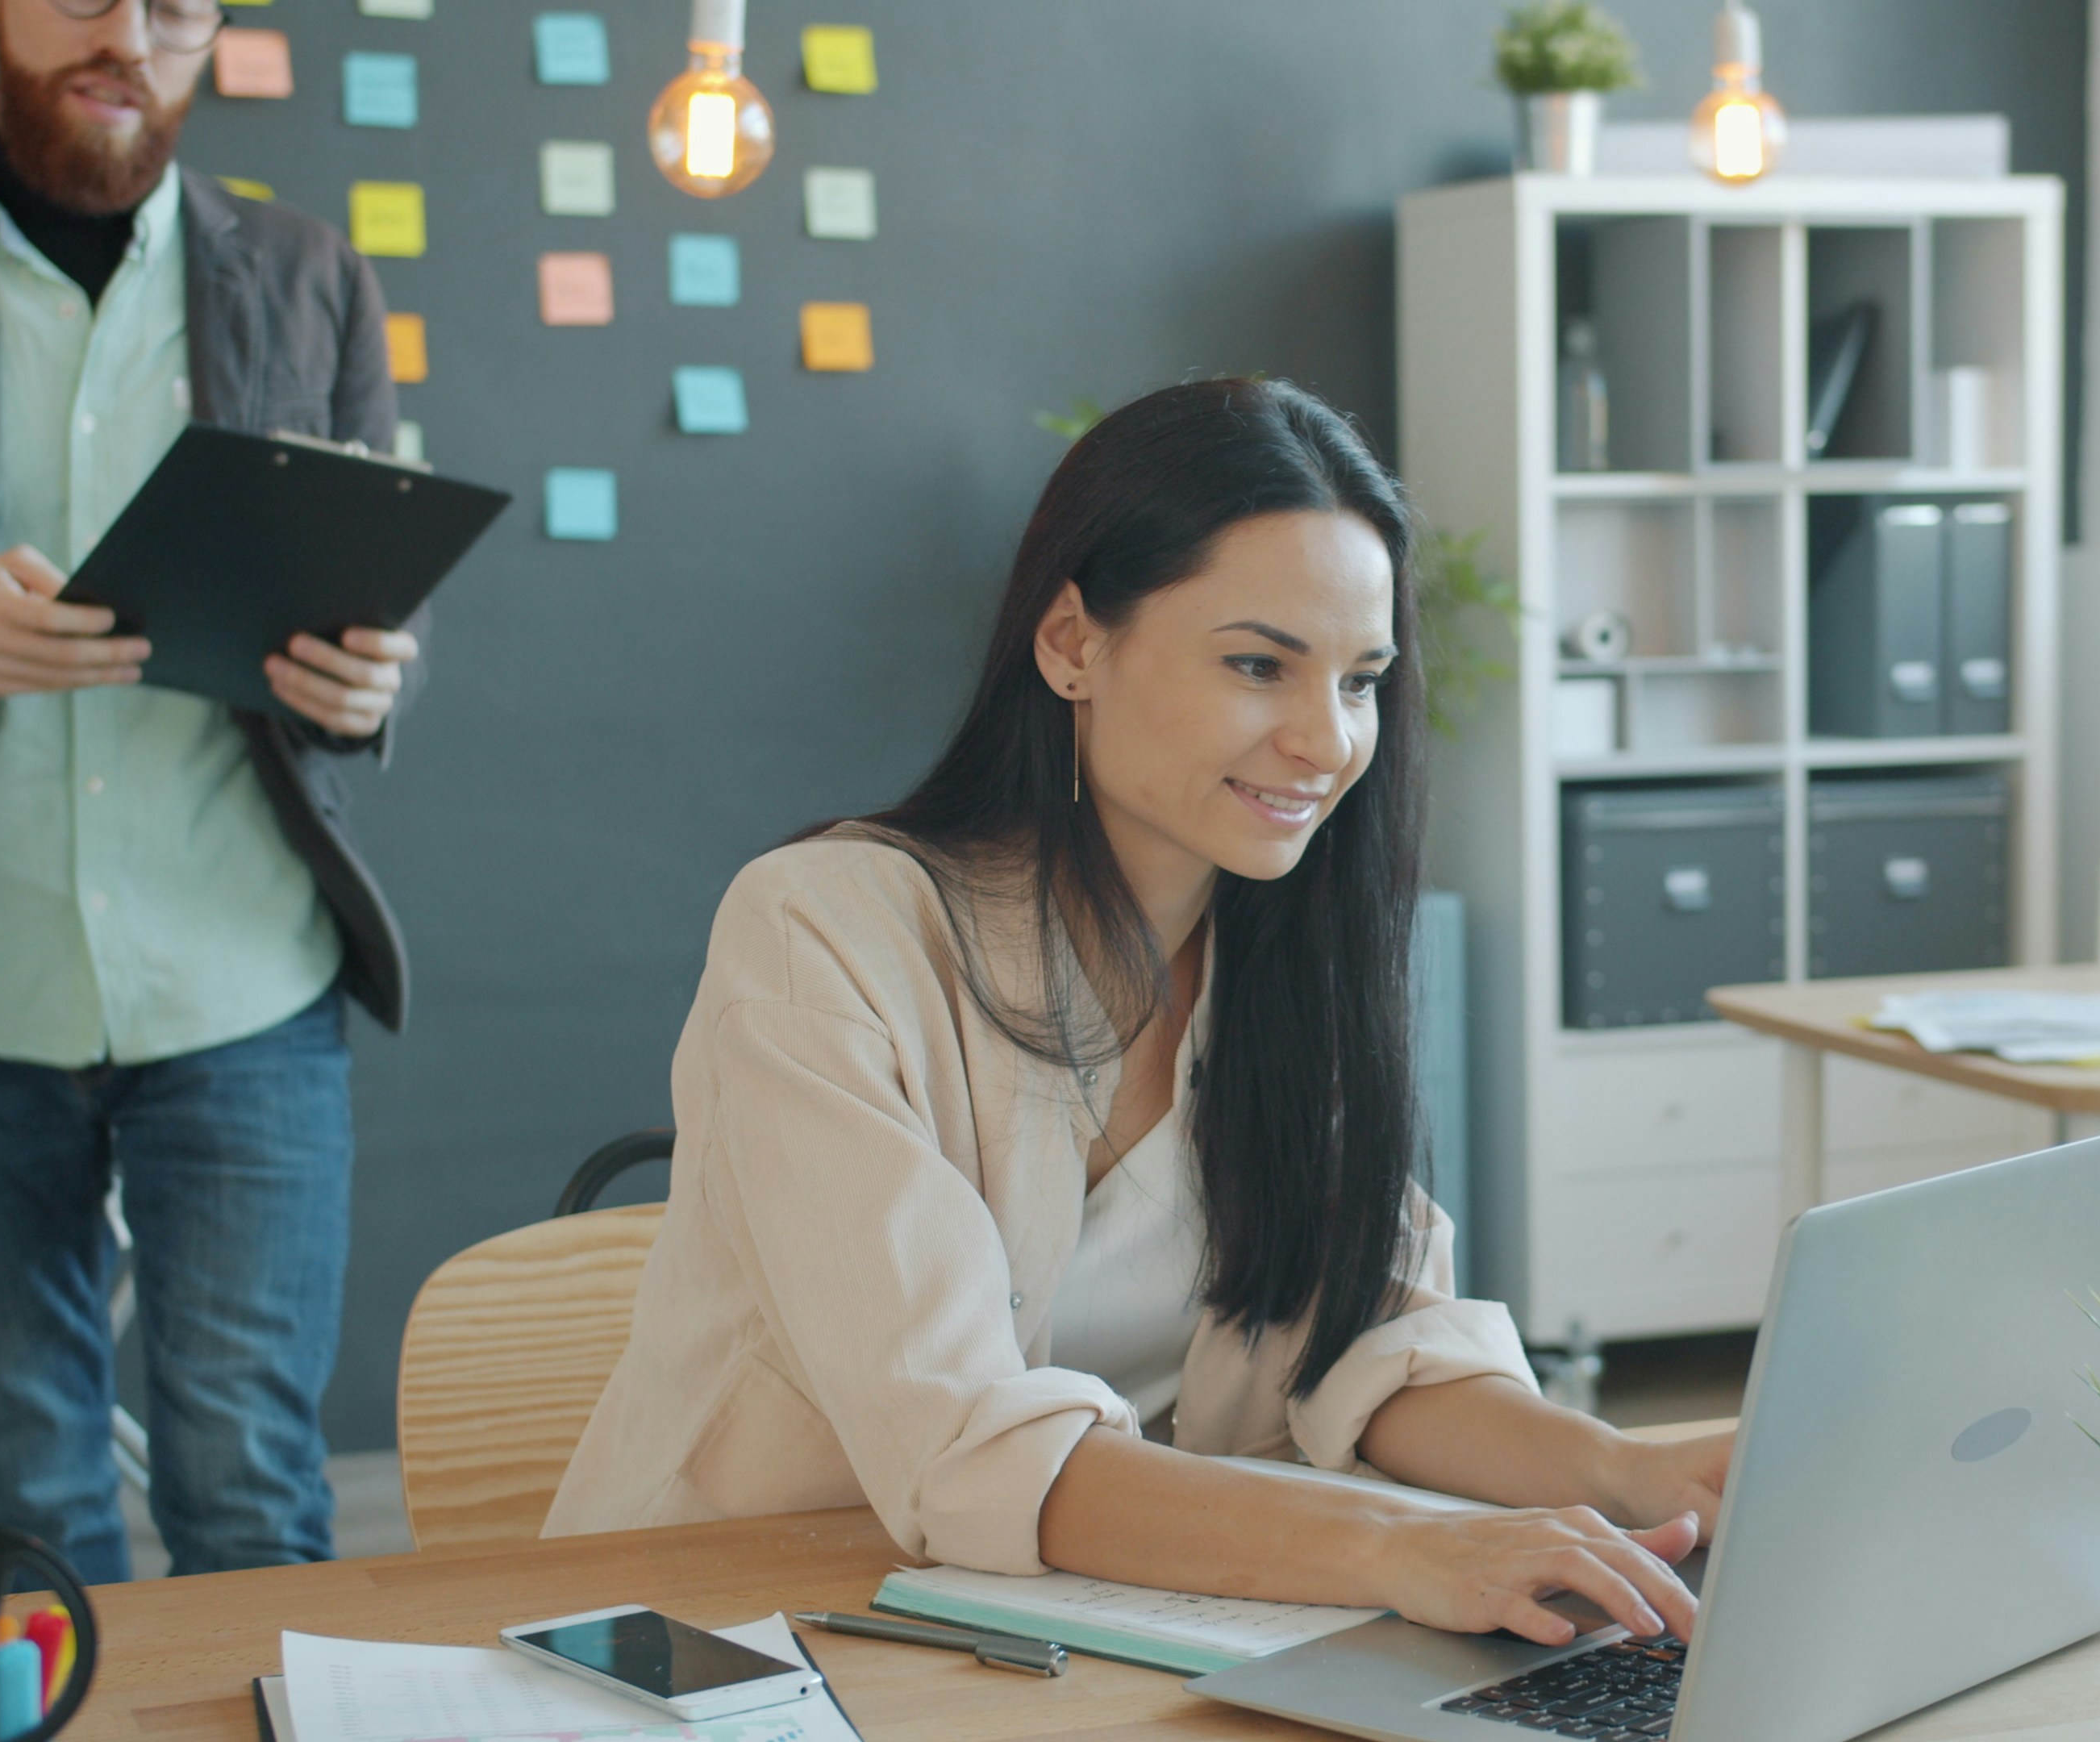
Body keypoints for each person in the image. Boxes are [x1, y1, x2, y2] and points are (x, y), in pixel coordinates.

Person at [549, 379, 1734, 1645]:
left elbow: (1370, 1339)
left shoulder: (1284, 957)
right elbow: (960, 1440)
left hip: (1072, 1636)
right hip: (740, 1631)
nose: (1326, 741)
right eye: (1257, 665)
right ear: (1071, 643)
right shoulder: (824, 932)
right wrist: (1404, 1547)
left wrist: (1625, 1478)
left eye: (1360, 681)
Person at [0, 0, 427, 1581]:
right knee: (25, 1496)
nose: (128, 39)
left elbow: (378, 583)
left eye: (178, 9)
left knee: (255, 1490)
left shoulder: (309, 274)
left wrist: (374, 681)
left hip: (245, 983)